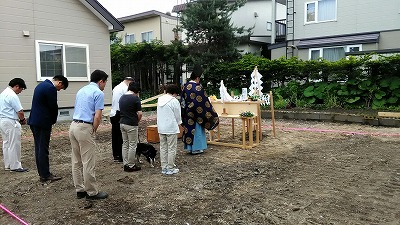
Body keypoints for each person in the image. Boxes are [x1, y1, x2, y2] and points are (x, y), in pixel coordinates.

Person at [69, 70, 109, 200]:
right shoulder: (98, 93)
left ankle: (79, 190)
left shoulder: (81, 90)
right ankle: (92, 192)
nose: (105, 85)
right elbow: (98, 116)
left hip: (73, 125)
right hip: (85, 127)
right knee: (88, 161)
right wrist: (94, 129)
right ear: (101, 81)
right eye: (105, 82)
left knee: (76, 160)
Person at [28, 75, 69, 182]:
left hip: (34, 120)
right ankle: (45, 175)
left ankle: (42, 172)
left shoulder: (40, 85)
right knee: (43, 148)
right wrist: (53, 120)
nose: (59, 90)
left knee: (38, 147)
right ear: (59, 83)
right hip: (43, 122)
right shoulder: (50, 88)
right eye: (61, 88)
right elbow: (53, 106)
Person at [181, 64, 219, 154]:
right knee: (197, 129)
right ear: (197, 78)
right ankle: (196, 148)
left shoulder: (185, 86)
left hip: (187, 111)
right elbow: (203, 100)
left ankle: (190, 148)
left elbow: (182, 100)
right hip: (196, 112)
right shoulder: (198, 87)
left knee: (189, 129)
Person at [0, 78, 28, 172]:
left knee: (6, 143)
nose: (20, 91)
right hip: (11, 121)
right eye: (21, 89)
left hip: (3, 120)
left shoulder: (3, 93)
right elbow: (20, 111)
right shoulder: (12, 95)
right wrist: (23, 120)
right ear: (17, 86)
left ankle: (8, 164)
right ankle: (15, 166)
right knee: (14, 143)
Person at [157, 84, 182, 175]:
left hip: (161, 127)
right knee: (171, 148)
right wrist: (180, 123)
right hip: (171, 127)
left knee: (163, 147)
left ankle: (164, 167)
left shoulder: (160, 99)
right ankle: (170, 168)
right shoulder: (174, 101)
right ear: (174, 93)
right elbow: (177, 115)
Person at [119, 82, 142, 172]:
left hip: (122, 123)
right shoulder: (135, 98)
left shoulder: (122, 97)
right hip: (131, 123)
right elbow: (140, 113)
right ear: (136, 91)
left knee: (125, 144)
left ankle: (125, 164)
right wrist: (137, 121)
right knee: (133, 145)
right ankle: (131, 165)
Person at [110, 77, 134, 162]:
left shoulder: (116, 87)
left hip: (113, 113)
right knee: (122, 137)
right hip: (120, 113)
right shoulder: (125, 88)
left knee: (115, 135)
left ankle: (116, 155)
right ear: (129, 82)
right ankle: (121, 155)